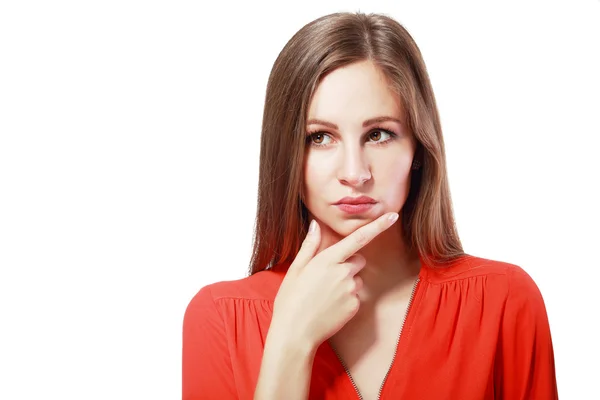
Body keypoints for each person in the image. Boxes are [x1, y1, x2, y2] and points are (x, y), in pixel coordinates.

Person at [182, 11, 558, 400]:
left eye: (378, 134)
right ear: (286, 154)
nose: (354, 172)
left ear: (418, 148)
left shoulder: (503, 301)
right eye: (320, 137)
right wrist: (291, 343)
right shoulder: (221, 317)